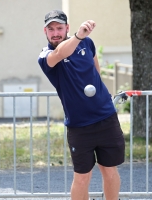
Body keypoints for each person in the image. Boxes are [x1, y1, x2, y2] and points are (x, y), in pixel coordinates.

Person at [38, 10, 125, 200]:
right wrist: (78, 36)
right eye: (50, 29)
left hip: (106, 119)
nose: (55, 33)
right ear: (45, 31)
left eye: (59, 28)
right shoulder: (46, 56)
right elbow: (61, 53)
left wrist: (101, 100)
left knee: (110, 171)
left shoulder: (87, 43)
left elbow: (96, 71)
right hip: (79, 126)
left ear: (66, 28)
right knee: (82, 177)